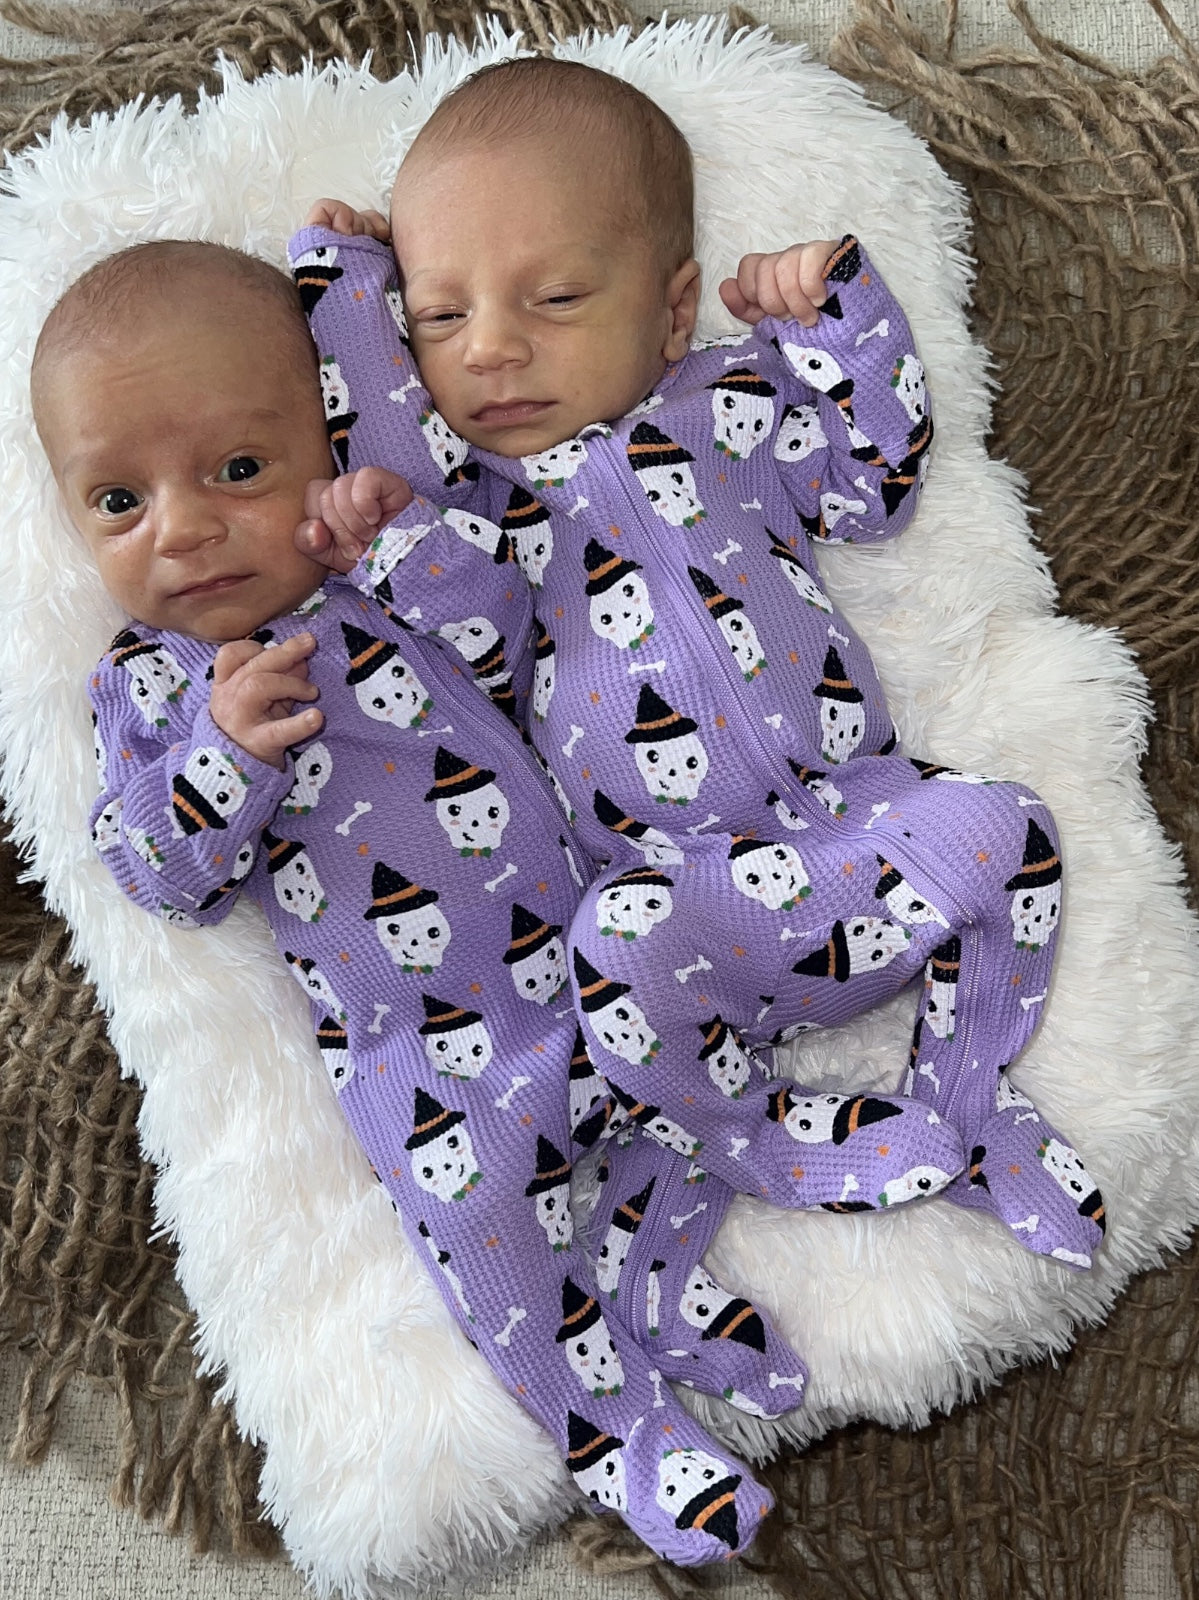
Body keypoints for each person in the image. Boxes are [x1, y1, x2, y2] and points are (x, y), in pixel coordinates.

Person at [34, 238, 815, 1565]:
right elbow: (156, 869)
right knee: (478, 1220)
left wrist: (395, 542)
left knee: (690, 1085)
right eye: (118, 500)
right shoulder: (150, 688)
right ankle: (613, 1430)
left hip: (583, 946)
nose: (181, 527)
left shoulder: (369, 567)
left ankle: (655, 1279)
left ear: (317, 437)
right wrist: (222, 757)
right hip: (416, 1051)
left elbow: (508, 635)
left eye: (236, 471)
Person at [293, 54, 1105, 1270]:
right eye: (443, 317)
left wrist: (836, 310)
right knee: (607, 950)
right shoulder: (490, 507)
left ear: (672, 310)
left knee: (1005, 829)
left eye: (554, 298)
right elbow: (464, 639)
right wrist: (352, 310)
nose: (493, 351)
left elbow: (874, 478)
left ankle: (967, 1102)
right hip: (685, 897)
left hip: (856, 827)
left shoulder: (729, 401)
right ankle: (776, 1142)